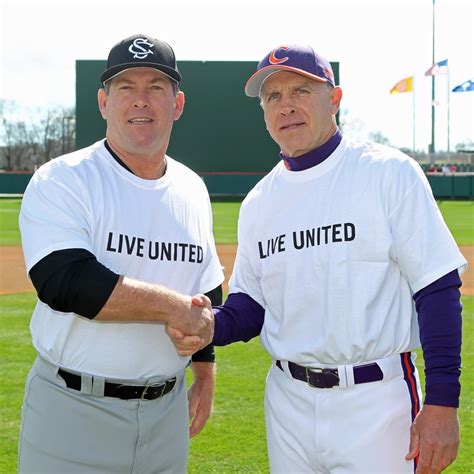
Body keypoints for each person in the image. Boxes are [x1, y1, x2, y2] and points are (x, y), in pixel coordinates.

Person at [168, 44, 467, 473]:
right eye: (272, 97)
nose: (285, 105)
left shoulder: (387, 173)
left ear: (335, 98)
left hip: (376, 400)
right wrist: (209, 324)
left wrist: (442, 402)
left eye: (301, 91)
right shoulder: (259, 202)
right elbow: (252, 306)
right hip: (288, 402)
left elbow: (437, 289)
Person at [18, 34, 224, 473]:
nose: (141, 100)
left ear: (178, 103)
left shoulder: (191, 187)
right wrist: (174, 309)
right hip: (73, 411)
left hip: (166, 413)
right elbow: (66, 282)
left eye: (156, 87)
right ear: (103, 102)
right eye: (126, 87)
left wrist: (204, 370)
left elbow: (206, 285)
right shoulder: (64, 178)